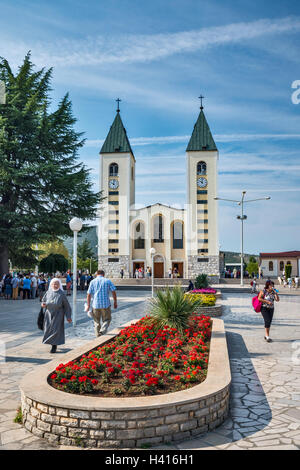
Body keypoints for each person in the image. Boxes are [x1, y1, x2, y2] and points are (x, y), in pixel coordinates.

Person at [41, 278, 72, 353]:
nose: (55, 285)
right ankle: (52, 343)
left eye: (57, 284)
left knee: (55, 330)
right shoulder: (48, 292)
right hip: (48, 314)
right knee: (48, 329)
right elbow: (43, 300)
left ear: (59, 285)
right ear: (51, 284)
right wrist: (43, 304)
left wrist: (68, 316)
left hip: (58, 314)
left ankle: (54, 346)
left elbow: (67, 306)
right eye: (54, 284)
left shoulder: (61, 294)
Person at [86, 270, 117, 337]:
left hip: (95, 304)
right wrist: (115, 302)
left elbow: (88, 294)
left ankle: (98, 336)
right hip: (105, 304)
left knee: (96, 322)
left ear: (96, 274)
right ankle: (102, 331)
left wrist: (88, 305)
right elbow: (113, 291)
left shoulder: (92, 281)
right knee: (107, 319)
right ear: (103, 274)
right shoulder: (107, 281)